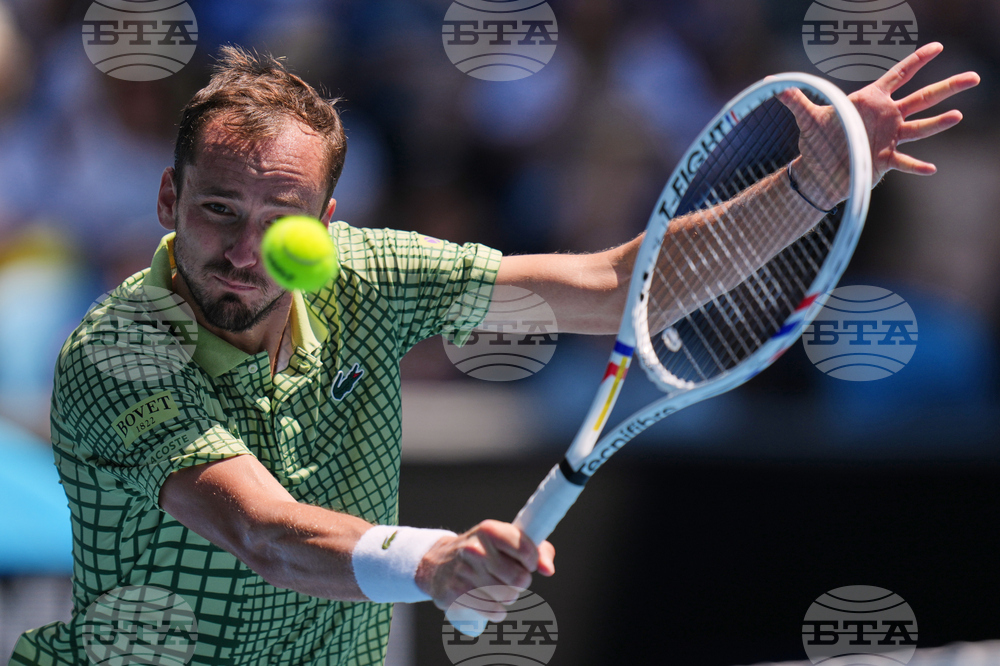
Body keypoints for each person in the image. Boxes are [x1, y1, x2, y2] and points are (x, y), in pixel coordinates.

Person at [11, 43, 977, 665]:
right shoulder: (118, 354)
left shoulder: (365, 274)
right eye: (219, 207)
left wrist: (808, 185)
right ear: (169, 202)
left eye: (283, 219)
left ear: (327, 223)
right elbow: (266, 535)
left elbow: (613, 287)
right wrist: (435, 559)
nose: (244, 246)